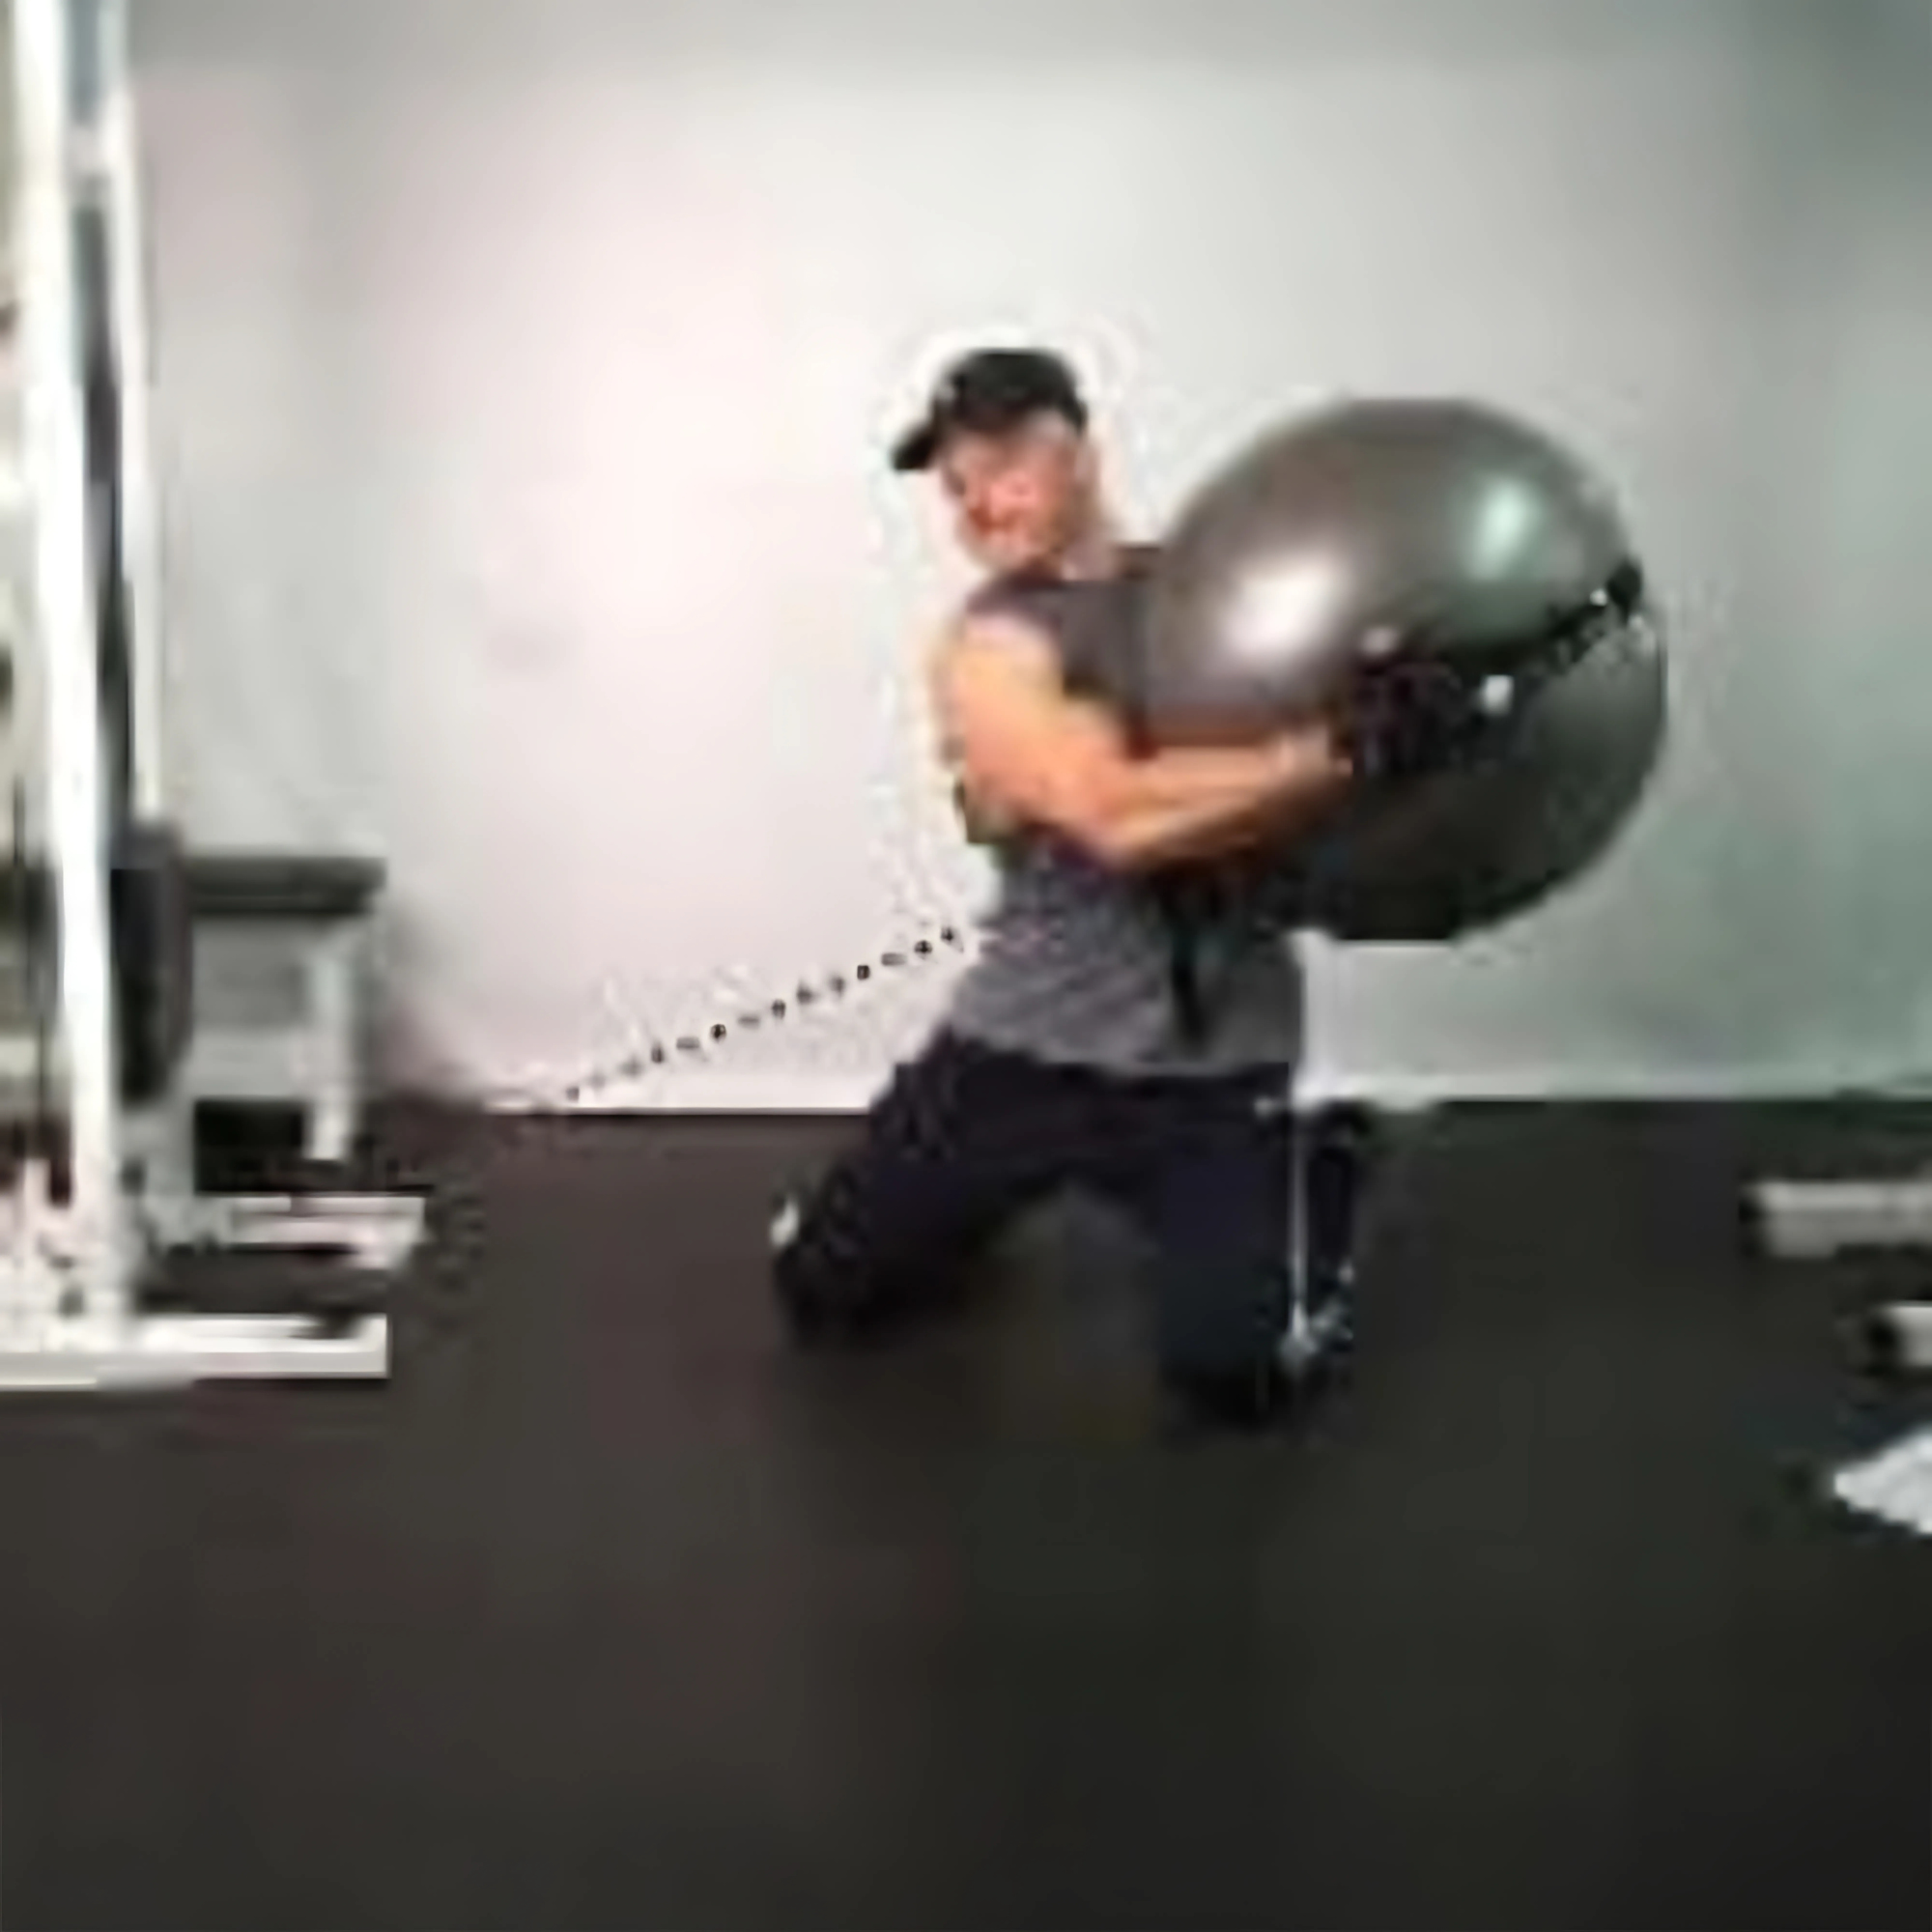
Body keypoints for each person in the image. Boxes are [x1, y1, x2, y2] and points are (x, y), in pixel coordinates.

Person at [770, 345, 1371, 1430]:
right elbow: (1115, 813)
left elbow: (1359, 653)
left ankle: (1322, 1174)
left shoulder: (1217, 593)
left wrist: (1402, 702)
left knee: (1232, 1374)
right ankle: (954, 1204)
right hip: (1021, 1046)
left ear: (1075, 448)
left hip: (1212, 1054)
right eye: (951, 484)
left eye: (996, 462)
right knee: (822, 1288)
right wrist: (1331, 753)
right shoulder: (991, 642)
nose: (972, 501)